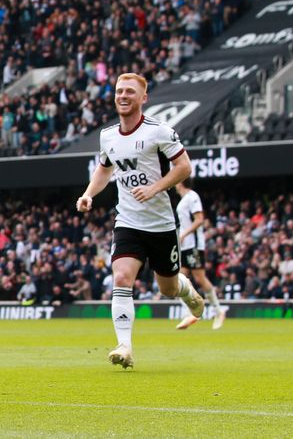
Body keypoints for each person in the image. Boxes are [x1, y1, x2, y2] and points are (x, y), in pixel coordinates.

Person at [76, 73, 204, 369]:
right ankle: (125, 345)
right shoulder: (107, 136)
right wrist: (88, 194)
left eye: (130, 92)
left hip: (160, 225)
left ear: (143, 98)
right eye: (120, 91)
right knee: (121, 277)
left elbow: (184, 166)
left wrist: (155, 188)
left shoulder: (159, 132)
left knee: (167, 289)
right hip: (128, 222)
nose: (123, 95)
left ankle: (189, 294)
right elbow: (104, 169)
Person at [175, 179, 226, 330]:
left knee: (200, 278)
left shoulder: (192, 197)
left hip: (194, 245)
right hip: (185, 246)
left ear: (180, 182)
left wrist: (184, 234)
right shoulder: (184, 199)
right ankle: (188, 313)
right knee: (178, 279)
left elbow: (199, 220)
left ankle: (219, 311)